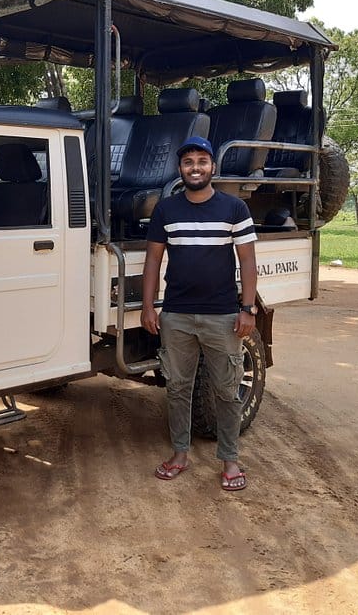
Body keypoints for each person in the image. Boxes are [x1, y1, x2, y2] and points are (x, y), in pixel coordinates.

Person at [140, 135, 258, 491]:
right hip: (176, 315)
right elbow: (153, 259)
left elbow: (248, 261)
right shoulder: (166, 210)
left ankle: (230, 460)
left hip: (222, 315)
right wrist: (149, 305)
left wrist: (247, 308)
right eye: (188, 162)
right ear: (180, 169)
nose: (195, 168)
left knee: (226, 390)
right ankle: (179, 455)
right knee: (178, 388)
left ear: (213, 167)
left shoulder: (234, 209)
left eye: (201, 161)